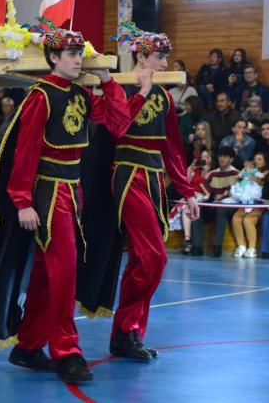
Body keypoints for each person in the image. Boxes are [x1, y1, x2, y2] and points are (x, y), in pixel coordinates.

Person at [0, 25, 130, 384]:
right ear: (53, 58)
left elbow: (118, 123)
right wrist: (23, 201)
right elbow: (25, 152)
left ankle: (29, 345)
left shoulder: (82, 95)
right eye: (70, 54)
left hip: (72, 192)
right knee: (65, 272)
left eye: (78, 54)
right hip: (48, 195)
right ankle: (67, 351)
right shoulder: (41, 96)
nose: (77, 59)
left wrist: (108, 81)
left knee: (46, 276)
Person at [104, 27, 199, 362]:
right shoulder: (118, 87)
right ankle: (126, 328)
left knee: (143, 260)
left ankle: (126, 333)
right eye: (159, 56)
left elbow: (172, 146)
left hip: (155, 178)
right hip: (129, 175)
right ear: (141, 56)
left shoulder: (164, 96)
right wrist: (140, 91)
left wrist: (187, 192)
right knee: (155, 256)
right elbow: (118, 128)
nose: (165, 61)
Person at [192, 145, 239, 257]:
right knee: (197, 211)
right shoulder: (213, 174)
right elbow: (208, 193)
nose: (221, 159)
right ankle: (197, 247)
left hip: (230, 206)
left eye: (225, 157)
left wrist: (219, 200)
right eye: (220, 156)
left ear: (231, 159)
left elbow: (233, 194)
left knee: (220, 210)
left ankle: (217, 247)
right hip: (213, 204)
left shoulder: (236, 174)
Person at [229, 153, 269, 258]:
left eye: (260, 159)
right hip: (245, 204)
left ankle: (252, 249)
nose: (257, 161)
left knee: (248, 220)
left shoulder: (267, 176)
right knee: (236, 219)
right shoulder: (247, 173)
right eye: (255, 159)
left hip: (258, 206)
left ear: (265, 162)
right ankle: (241, 246)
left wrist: (257, 181)